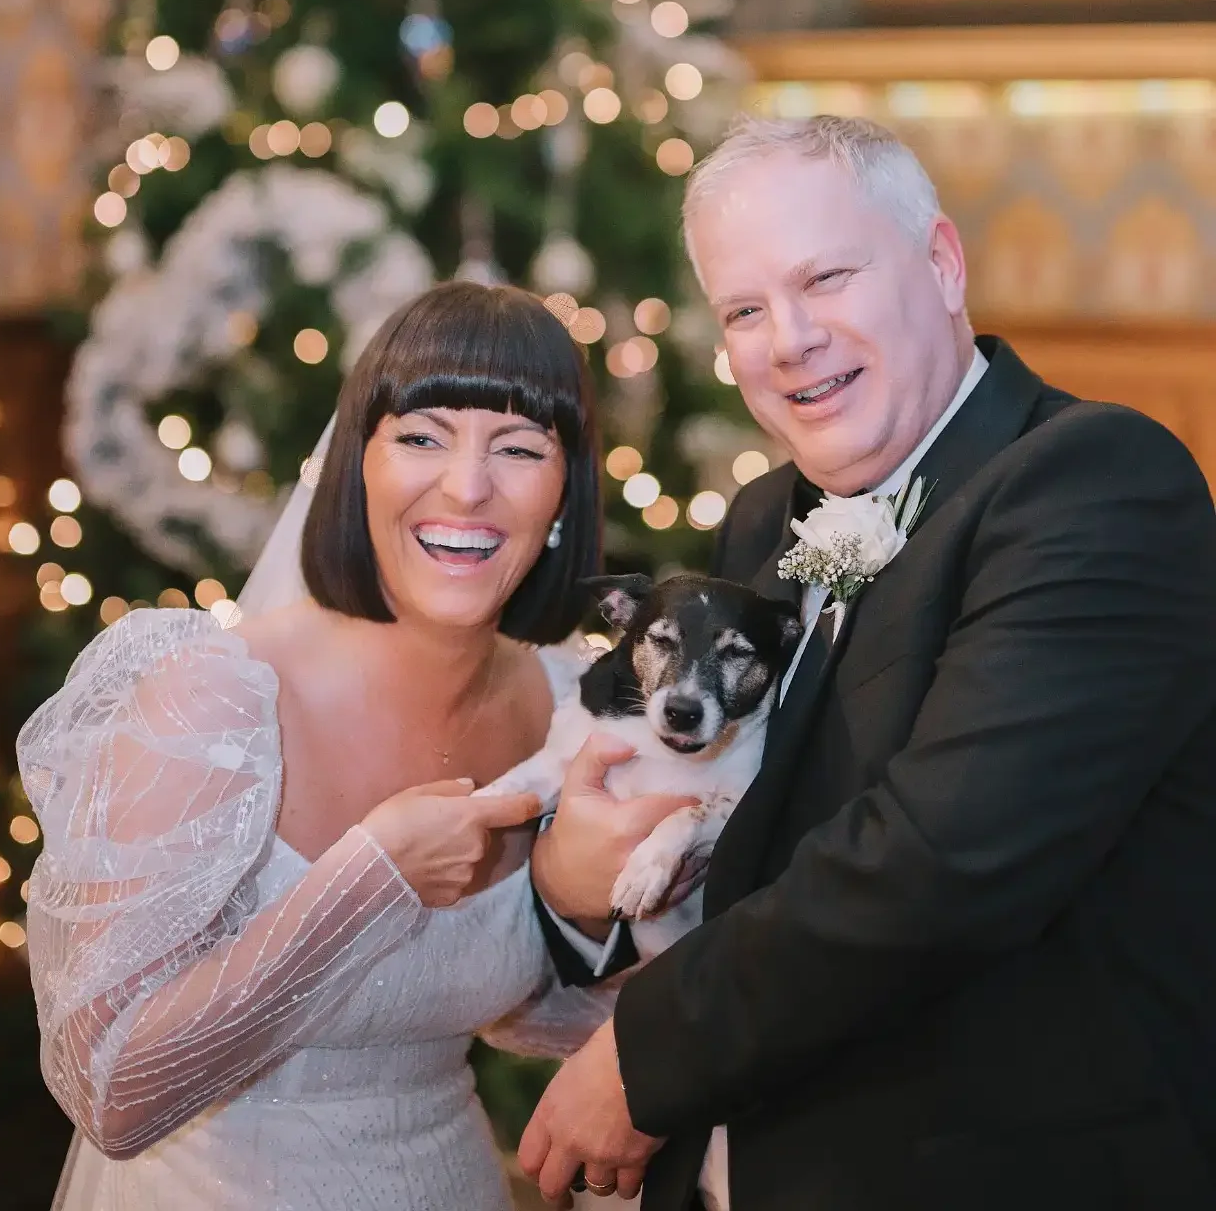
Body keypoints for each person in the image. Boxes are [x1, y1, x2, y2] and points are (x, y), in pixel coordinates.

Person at [521, 114, 1216, 1211]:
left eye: (826, 278)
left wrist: (644, 1057)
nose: (788, 338)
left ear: (941, 264)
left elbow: (942, 860)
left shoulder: (1096, 485)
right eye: (745, 309)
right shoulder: (764, 519)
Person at [19, 281, 688, 1211]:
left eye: (519, 448)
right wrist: (374, 877)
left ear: (565, 494)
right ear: (355, 467)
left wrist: (592, 923)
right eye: (421, 437)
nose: (465, 487)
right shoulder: (213, 698)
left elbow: (518, 1008)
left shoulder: (568, 707)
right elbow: (112, 1092)